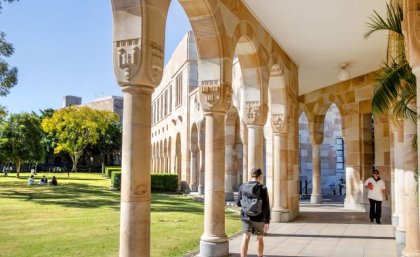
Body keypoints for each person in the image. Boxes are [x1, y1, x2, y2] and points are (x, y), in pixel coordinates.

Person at [236, 168, 270, 257]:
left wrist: (247, 206)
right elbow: (266, 205)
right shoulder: (262, 188)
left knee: (245, 237)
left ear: (251, 175)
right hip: (259, 217)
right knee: (259, 238)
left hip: (245, 216)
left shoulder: (242, 186)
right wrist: (267, 221)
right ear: (260, 176)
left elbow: (238, 203)